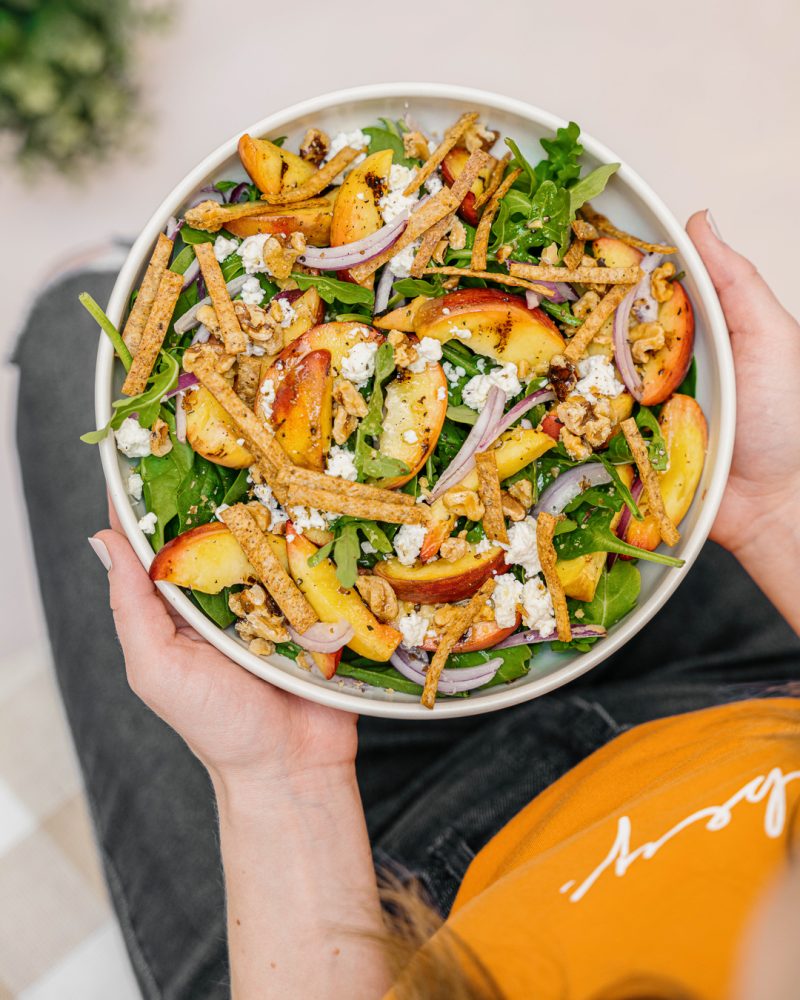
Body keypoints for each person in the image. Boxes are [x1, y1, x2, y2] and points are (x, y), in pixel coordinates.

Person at [14, 211, 799, 1000]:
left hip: (384, 899)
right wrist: (782, 508)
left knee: (63, 339)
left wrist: (281, 782)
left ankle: (81, 278)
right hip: (730, 696)